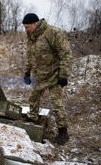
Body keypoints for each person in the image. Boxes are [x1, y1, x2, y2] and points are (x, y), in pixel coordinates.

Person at [22, 13, 73, 145]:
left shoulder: (53, 33)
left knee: (56, 104)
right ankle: (32, 120)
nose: (25, 30)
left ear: (35, 23)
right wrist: (27, 72)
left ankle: (63, 132)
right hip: (39, 75)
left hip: (54, 75)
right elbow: (30, 56)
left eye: (27, 27)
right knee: (33, 99)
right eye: (24, 27)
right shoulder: (31, 36)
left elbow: (66, 54)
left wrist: (63, 75)